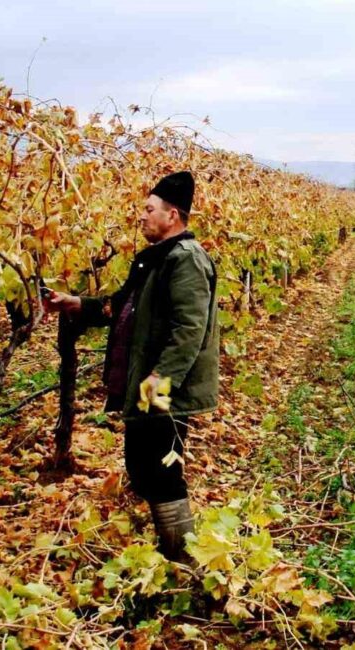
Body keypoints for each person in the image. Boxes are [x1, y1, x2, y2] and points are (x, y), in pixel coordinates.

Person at [48, 171, 219, 562]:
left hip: (163, 389)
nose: (140, 216)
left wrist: (160, 381)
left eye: (148, 209)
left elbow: (189, 329)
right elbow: (119, 306)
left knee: (160, 469)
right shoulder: (156, 260)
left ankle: (182, 557)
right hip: (148, 384)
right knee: (141, 466)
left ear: (172, 215)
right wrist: (73, 303)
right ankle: (170, 547)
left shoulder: (186, 261)